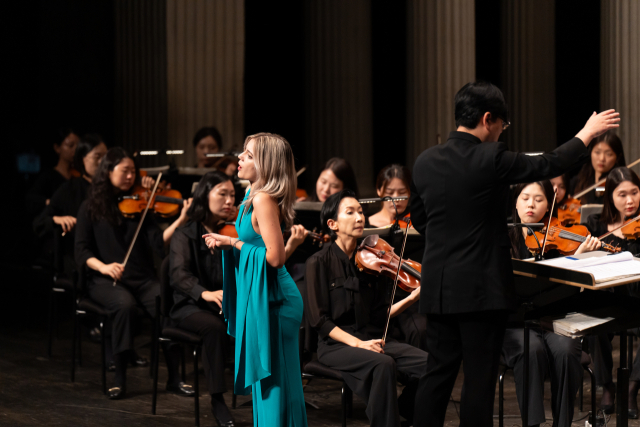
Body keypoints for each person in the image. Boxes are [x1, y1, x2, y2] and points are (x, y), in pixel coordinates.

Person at [410, 81, 620, 427]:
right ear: (489, 118)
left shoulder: (424, 161)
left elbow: (421, 221)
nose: (500, 133)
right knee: (478, 380)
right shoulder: (491, 157)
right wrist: (586, 134)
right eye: (502, 126)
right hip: (480, 291)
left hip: (439, 287)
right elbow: (547, 165)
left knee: (438, 374)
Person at [202, 133, 307, 426]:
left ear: (265, 164)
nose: (240, 158)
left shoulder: (261, 199)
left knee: (275, 385)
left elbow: (275, 257)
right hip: (266, 298)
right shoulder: (250, 195)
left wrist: (231, 243)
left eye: (248, 155)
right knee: (268, 385)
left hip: (277, 301)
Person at [74, 147, 193, 400]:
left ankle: (174, 377)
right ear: (108, 171)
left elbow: (158, 241)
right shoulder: (89, 207)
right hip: (105, 280)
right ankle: (119, 378)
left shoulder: (140, 205)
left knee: (165, 303)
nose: (131, 176)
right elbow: (81, 251)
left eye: (133, 172)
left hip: (141, 278)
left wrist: (180, 219)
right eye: (125, 171)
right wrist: (104, 266)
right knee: (124, 306)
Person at [304, 190, 427, 426]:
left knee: (431, 364)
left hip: (371, 337)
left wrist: (411, 298)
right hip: (336, 345)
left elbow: (380, 315)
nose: (360, 217)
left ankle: (404, 409)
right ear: (333, 224)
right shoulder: (318, 262)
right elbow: (319, 321)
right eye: (350, 212)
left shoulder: (371, 261)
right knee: (384, 363)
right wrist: (359, 344)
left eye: (360, 211)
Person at [504, 180, 601, 427]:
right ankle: (533, 424)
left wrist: (576, 261)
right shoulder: (503, 239)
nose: (531, 205)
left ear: (549, 205)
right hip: (516, 323)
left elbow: (570, 293)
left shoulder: (558, 241)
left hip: (554, 319)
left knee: (567, 351)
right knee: (530, 349)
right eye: (525, 198)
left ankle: (563, 423)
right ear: (515, 201)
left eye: (539, 199)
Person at [170, 171, 236, 426]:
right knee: (213, 328)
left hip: (221, 304)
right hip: (188, 307)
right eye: (223, 194)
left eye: (233, 195)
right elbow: (178, 274)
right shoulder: (185, 234)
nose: (230, 200)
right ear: (204, 196)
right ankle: (218, 401)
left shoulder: (229, 234)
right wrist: (204, 293)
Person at [584, 166, 640, 418]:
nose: (630, 201)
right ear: (610, 197)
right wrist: (586, 251)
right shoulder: (596, 225)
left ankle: (631, 388)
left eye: (635, 193)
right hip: (607, 300)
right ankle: (607, 386)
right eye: (622, 194)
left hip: (638, 301)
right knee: (593, 323)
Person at [366, 164, 426, 351]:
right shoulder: (366, 225)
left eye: (402, 192)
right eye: (390, 192)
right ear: (379, 191)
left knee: (421, 330)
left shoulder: (416, 225)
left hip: (409, 293)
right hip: (376, 296)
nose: (396, 199)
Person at [33, 133, 107, 256]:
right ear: (83, 159)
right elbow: (39, 223)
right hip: (78, 257)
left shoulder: (110, 188)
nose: (103, 162)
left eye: (105, 157)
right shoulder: (69, 189)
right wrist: (57, 219)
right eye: (97, 157)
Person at [26, 127, 80, 216]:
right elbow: (31, 200)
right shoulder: (48, 176)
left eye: (78, 146)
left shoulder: (78, 176)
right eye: (70, 146)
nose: (75, 150)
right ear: (57, 148)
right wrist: (50, 202)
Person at [571, 131, 626, 204]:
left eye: (609, 154)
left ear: (618, 158)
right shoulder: (576, 182)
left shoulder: (623, 184)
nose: (602, 158)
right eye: (597, 152)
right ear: (590, 153)